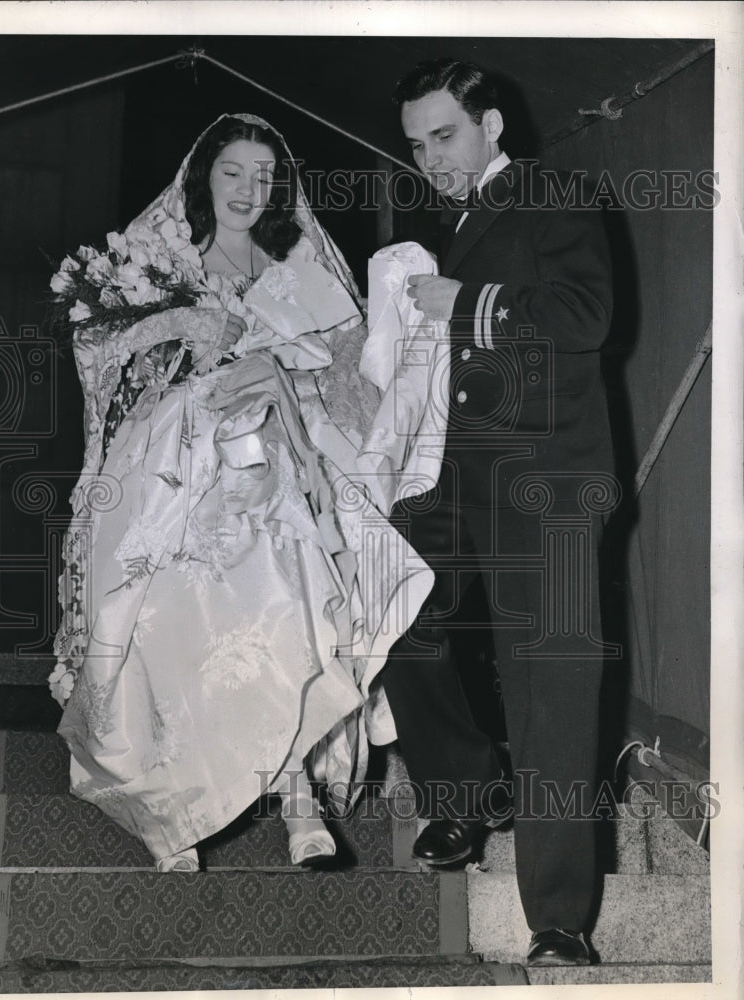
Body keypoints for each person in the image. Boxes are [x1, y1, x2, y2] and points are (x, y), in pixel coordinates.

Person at [49, 114, 433, 873]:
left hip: (277, 464)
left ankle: (298, 807)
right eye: (233, 172)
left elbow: (356, 386)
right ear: (204, 178)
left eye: (264, 176)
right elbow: (103, 364)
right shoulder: (155, 262)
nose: (248, 190)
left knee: (281, 617)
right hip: (169, 466)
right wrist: (179, 335)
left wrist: (284, 377)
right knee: (161, 625)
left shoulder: (304, 273)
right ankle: (171, 810)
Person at [379, 59, 617, 966]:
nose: (431, 159)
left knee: (549, 693)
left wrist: (464, 304)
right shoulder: (452, 222)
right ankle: (467, 789)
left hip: (546, 483)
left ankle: (558, 922)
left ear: (490, 127)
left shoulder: (554, 191)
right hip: (454, 481)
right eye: (415, 145)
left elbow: (585, 313)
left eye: (444, 137)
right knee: (391, 607)